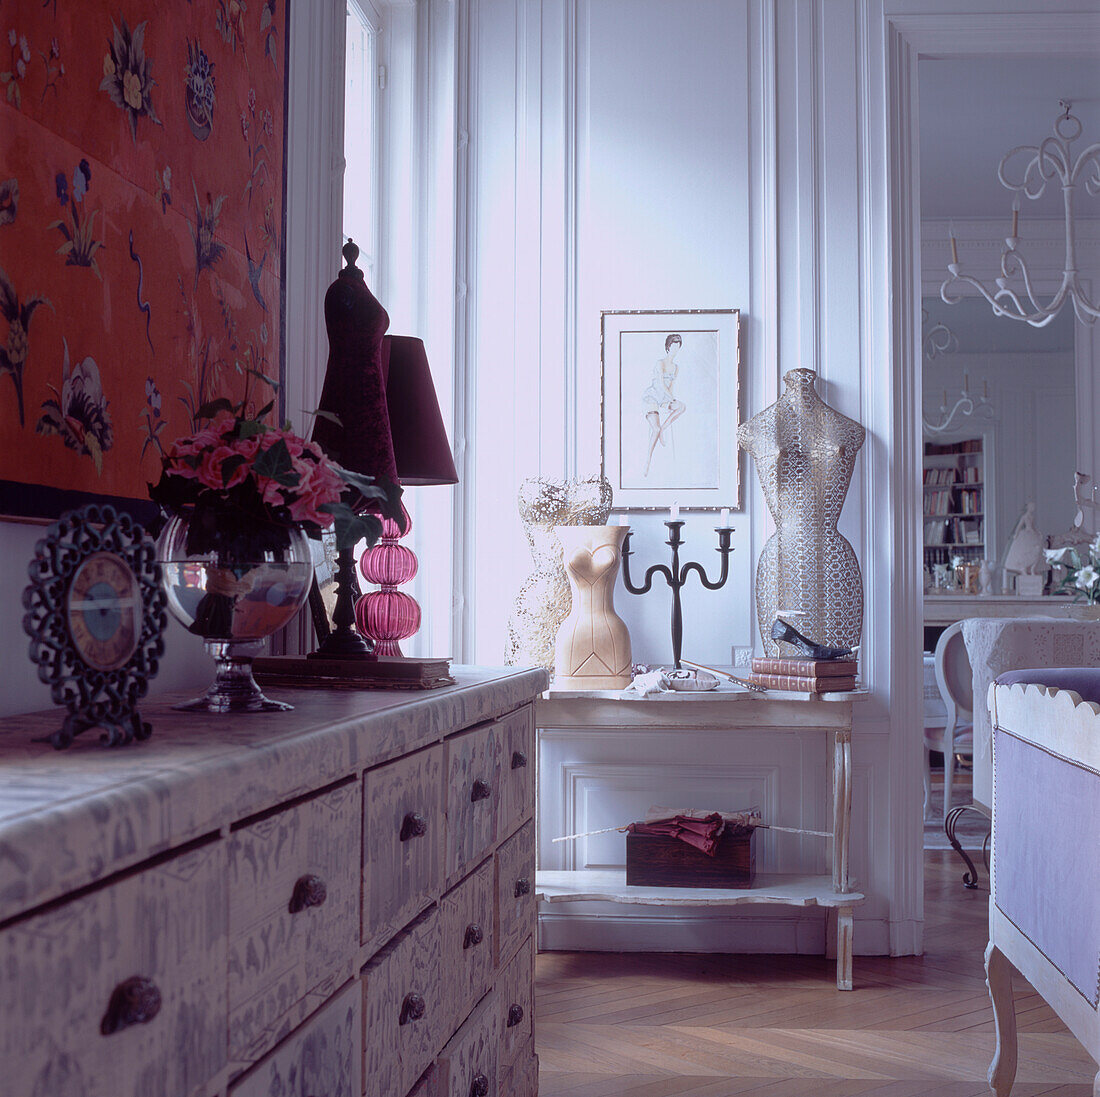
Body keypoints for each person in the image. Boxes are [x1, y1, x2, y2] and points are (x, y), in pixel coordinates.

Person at [642, 333, 686, 476]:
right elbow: (661, 384)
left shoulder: (676, 367)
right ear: (667, 348)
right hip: (652, 397)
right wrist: (671, 397)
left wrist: (671, 400)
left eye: (677, 348)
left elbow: (671, 386)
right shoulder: (660, 363)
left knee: (682, 406)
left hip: (664, 398)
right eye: (672, 347)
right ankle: (647, 461)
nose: (675, 351)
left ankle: (663, 429)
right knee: (655, 428)